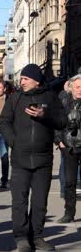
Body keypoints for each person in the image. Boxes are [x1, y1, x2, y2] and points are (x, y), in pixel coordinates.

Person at [0, 64, 66, 252]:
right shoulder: (15, 98)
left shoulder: (50, 97)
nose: (22, 82)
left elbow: (62, 121)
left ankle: (37, 236)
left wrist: (44, 115)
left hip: (43, 158)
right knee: (19, 200)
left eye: (25, 79)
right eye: (21, 79)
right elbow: (4, 122)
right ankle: (21, 237)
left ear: (36, 80)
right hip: (20, 158)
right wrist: (14, 142)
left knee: (39, 201)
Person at [55, 74, 81, 223]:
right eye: (77, 87)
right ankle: (69, 213)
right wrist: (59, 142)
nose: (80, 90)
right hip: (69, 147)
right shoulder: (64, 102)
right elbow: (57, 123)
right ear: (71, 88)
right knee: (70, 181)